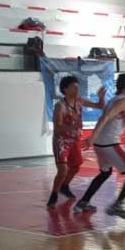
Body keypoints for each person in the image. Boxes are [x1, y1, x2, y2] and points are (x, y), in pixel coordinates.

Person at [74, 74, 125, 219]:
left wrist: (101, 100)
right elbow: (104, 117)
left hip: (101, 144)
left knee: (105, 173)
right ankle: (117, 205)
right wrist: (91, 137)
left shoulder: (114, 100)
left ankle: (83, 202)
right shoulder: (121, 102)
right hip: (109, 143)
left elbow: (104, 114)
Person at [46, 75, 106, 209]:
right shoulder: (60, 106)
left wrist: (101, 97)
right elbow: (58, 128)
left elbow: (99, 106)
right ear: (65, 89)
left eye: (78, 87)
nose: (77, 90)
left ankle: (64, 186)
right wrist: (73, 126)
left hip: (74, 140)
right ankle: (54, 194)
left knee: (76, 166)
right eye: (74, 87)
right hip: (61, 140)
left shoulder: (79, 101)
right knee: (62, 169)